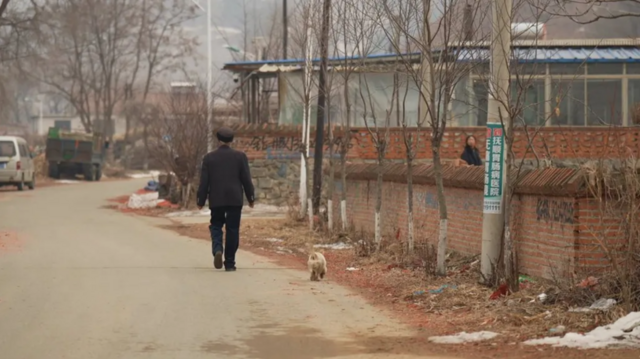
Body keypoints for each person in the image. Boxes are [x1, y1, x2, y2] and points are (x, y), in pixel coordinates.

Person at [197, 127, 255, 272]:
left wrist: (201, 200)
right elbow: (246, 179)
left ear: (218, 140)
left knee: (216, 225)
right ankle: (230, 262)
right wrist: (251, 197)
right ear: (231, 140)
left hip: (216, 199)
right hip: (235, 199)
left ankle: (218, 249)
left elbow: (204, 182)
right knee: (233, 229)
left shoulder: (209, 158)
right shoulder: (240, 157)